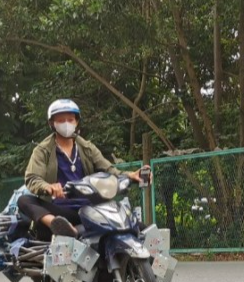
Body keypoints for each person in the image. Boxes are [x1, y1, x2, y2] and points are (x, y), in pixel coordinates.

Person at [19, 99, 148, 238]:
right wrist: (48, 187)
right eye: (61, 120)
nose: (67, 124)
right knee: (24, 200)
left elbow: (109, 170)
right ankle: (57, 225)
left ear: (76, 121)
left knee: (141, 228)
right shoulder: (42, 150)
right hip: (61, 210)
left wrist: (131, 175)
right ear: (52, 123)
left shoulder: (87, 147)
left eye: (70, 119)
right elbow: (32, 178)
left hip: (91, 208)